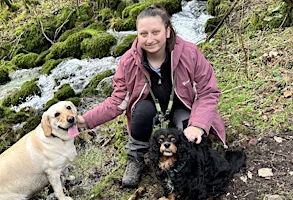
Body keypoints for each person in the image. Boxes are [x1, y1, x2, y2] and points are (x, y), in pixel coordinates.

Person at [76, 4, 226, 188]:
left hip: (183, 107)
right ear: (137, 35)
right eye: (143, 34)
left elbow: (207, 92)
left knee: (189, 129)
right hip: (149, 108)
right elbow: (117, 101)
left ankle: (187, 162)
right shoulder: (129, 61)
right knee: (140, 111)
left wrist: (198, 125)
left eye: (156, 32)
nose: (150, 39)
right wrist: (85, 120)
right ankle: (135, 158)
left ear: (168, 31)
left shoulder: (190, 53)